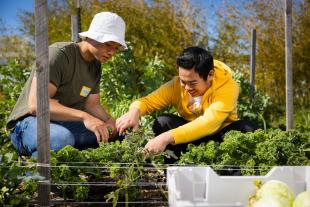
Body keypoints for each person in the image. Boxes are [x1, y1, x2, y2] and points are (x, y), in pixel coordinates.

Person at [7, 12, 127, 157]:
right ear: (91, 36)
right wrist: (84, 117)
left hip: (63, 124)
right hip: (28, 124)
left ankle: (69, 160)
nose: (111, 52)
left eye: (116, 48)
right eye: (108, 44)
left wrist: (110, 122)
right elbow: (36, 105)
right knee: (61, 138)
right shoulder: (58, 54)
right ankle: (36, 177)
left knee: (113, 136)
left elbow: (92, 105)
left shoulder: (96, 66)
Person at [116, 46, 257, 161]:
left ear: (210, 75)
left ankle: (227, 175)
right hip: (188, 138)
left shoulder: (228, 87)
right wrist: (134, 111)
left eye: (193, 83)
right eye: (183, 81)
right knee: (163, 122)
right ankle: (173, 172)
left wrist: (165, 138)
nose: (187, 88)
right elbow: (147, 102)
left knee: (247, 129)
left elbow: (210, 123)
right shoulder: (176, 86)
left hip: (220, 137)